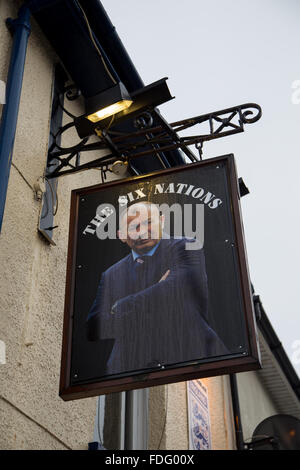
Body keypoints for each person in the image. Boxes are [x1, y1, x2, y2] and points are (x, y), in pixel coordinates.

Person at [86, 201, 227, 376]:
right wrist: (158, 290)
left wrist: (120, 307)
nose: (143, 231)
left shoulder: (186, 246)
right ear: (122, 235)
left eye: (149, 223)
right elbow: (93, 327)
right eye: (134, 227)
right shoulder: (111, 274)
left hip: (193, 358)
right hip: (129, 369)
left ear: (162, 221)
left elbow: (178, 289)